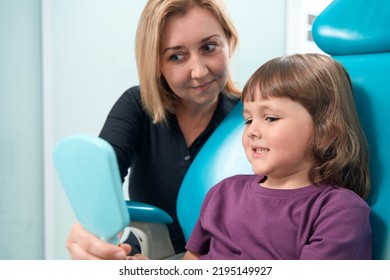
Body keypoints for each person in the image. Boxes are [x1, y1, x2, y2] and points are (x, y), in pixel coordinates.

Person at [130, 53, 372, 260]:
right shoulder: (223, 193)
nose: (252, 131)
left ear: (327, 132)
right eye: (248, 119)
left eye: (270, 118)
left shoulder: (339, 211)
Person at [65, 0, 241, 260]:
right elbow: (100, 191)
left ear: (229, 42)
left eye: (209, 47)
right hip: (145, 256)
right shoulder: (136, 106)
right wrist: (89, 239)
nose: (199, 71)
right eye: (176, 56)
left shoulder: (252, 115)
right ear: (156, 64)